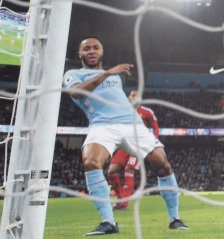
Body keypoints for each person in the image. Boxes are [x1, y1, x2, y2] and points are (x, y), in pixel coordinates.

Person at [62, 36, 188, 235]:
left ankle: (175, 218)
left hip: (132, 125)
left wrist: (133, 106)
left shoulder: (115, 78)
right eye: (87, 48)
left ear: (102, 52)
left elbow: (117, 102)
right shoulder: (74, 74)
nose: (92, 51)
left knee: (163, 165)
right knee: (91, 162)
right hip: (102, 126)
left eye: (96, 48)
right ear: (80, 53)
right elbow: (76, 93)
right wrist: (107, 73)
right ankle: (108, 221)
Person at [108, 89, 161, 210]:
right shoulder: (123, 111)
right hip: (123, 147)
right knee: (111, 171)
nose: (132, 97)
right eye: (131, 95)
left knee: (129, 169)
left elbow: (155, 128)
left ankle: (124, 204)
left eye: (134, 96)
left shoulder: (147, 112)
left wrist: (154, 141)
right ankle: (120, 199)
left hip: (138, 147)